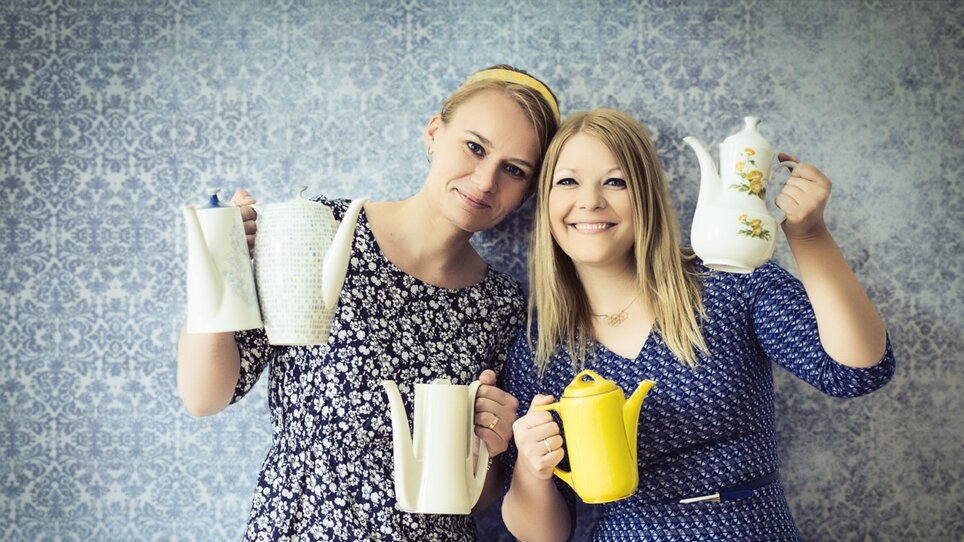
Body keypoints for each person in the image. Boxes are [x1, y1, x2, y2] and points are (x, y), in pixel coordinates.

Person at [177, 65, 560, 540]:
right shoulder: (320, 228)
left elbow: (479, 500)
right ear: (434, 132)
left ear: (527, 191)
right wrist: (220, 265)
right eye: (475, 147)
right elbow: (203, 396)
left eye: (514, 170)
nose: (485, 181)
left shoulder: (502, 304)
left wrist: (490, 444)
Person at [501, 109, 894, 541]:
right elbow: (544, 535)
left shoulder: (728, 281)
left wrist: (810, 235)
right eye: (568, 181)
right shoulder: (539, 349)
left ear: (646, 195)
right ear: (546, 199)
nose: (590, 201)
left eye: (615, 181)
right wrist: (530, 468)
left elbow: (857, 371)